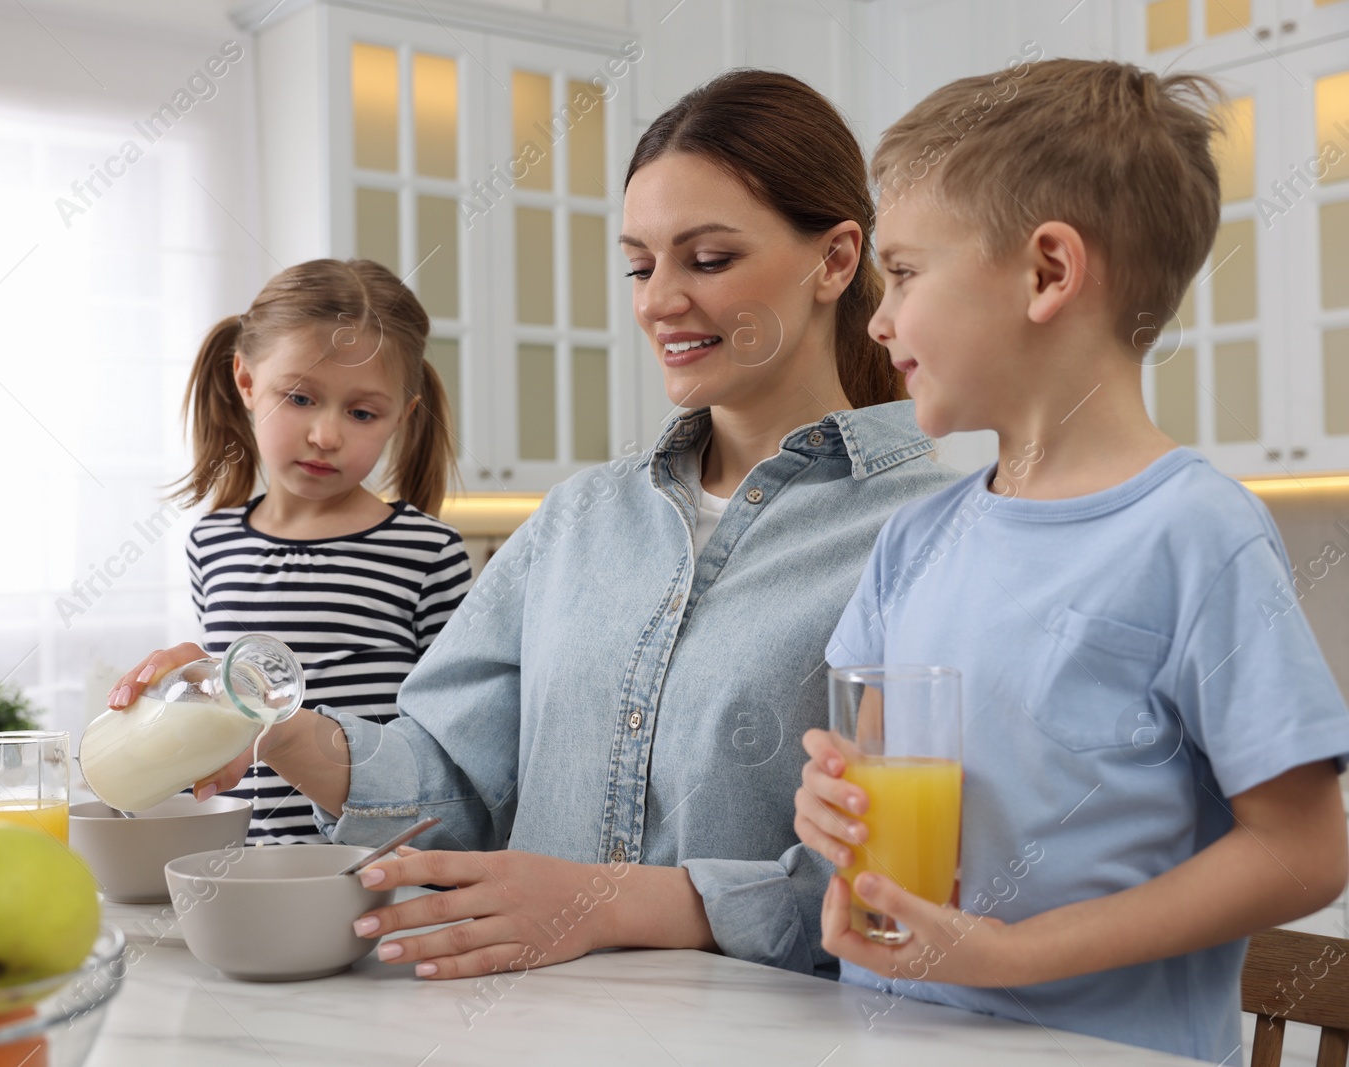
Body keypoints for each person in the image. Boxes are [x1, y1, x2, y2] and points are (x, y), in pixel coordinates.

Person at [110, 70, 962, 979]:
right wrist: (272, 722)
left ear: (835, 260)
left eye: (707, 260)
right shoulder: (579, 521)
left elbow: (900, 886)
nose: (657, 300)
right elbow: (451, 795)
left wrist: (604, 903)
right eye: (639, 265)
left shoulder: (933, 531)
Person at [794, 59, 1349, 1061]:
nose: (877, 319)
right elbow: (874, 774)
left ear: (1048, 271)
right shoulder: (914, 538)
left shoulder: (1194, 534)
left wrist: (1009, 950)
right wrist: (827, 810)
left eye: (907, 272)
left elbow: (1303, 849)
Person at [115, 258, 473, 842]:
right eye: (301, 398)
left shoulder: (427, 553)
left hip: (379, 871)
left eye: (361, 413)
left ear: (401, 418)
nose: (326, 435)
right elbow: (224, 716)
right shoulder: (213, 543)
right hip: (243, 868)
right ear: (248, 382)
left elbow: (451, 750)